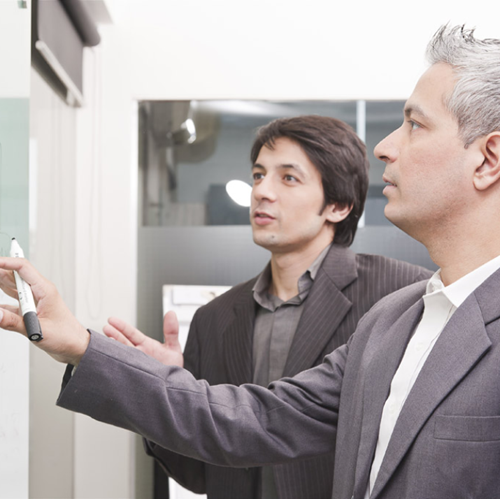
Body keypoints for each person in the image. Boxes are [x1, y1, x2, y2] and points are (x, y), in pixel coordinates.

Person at [1, 24, 499, 499]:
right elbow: (252, 420)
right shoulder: (393, 323)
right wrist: (81, 346)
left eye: (414, 124)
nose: (385, 147)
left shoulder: (387, 294)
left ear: (487, 159)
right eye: (259, 174)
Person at [103, 115, 431, 499]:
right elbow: (197, 474)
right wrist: (164, 390)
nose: (262, 191)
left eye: (288, 178)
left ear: (338, 205)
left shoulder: (399, 295)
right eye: (259, 175)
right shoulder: (215, 318)